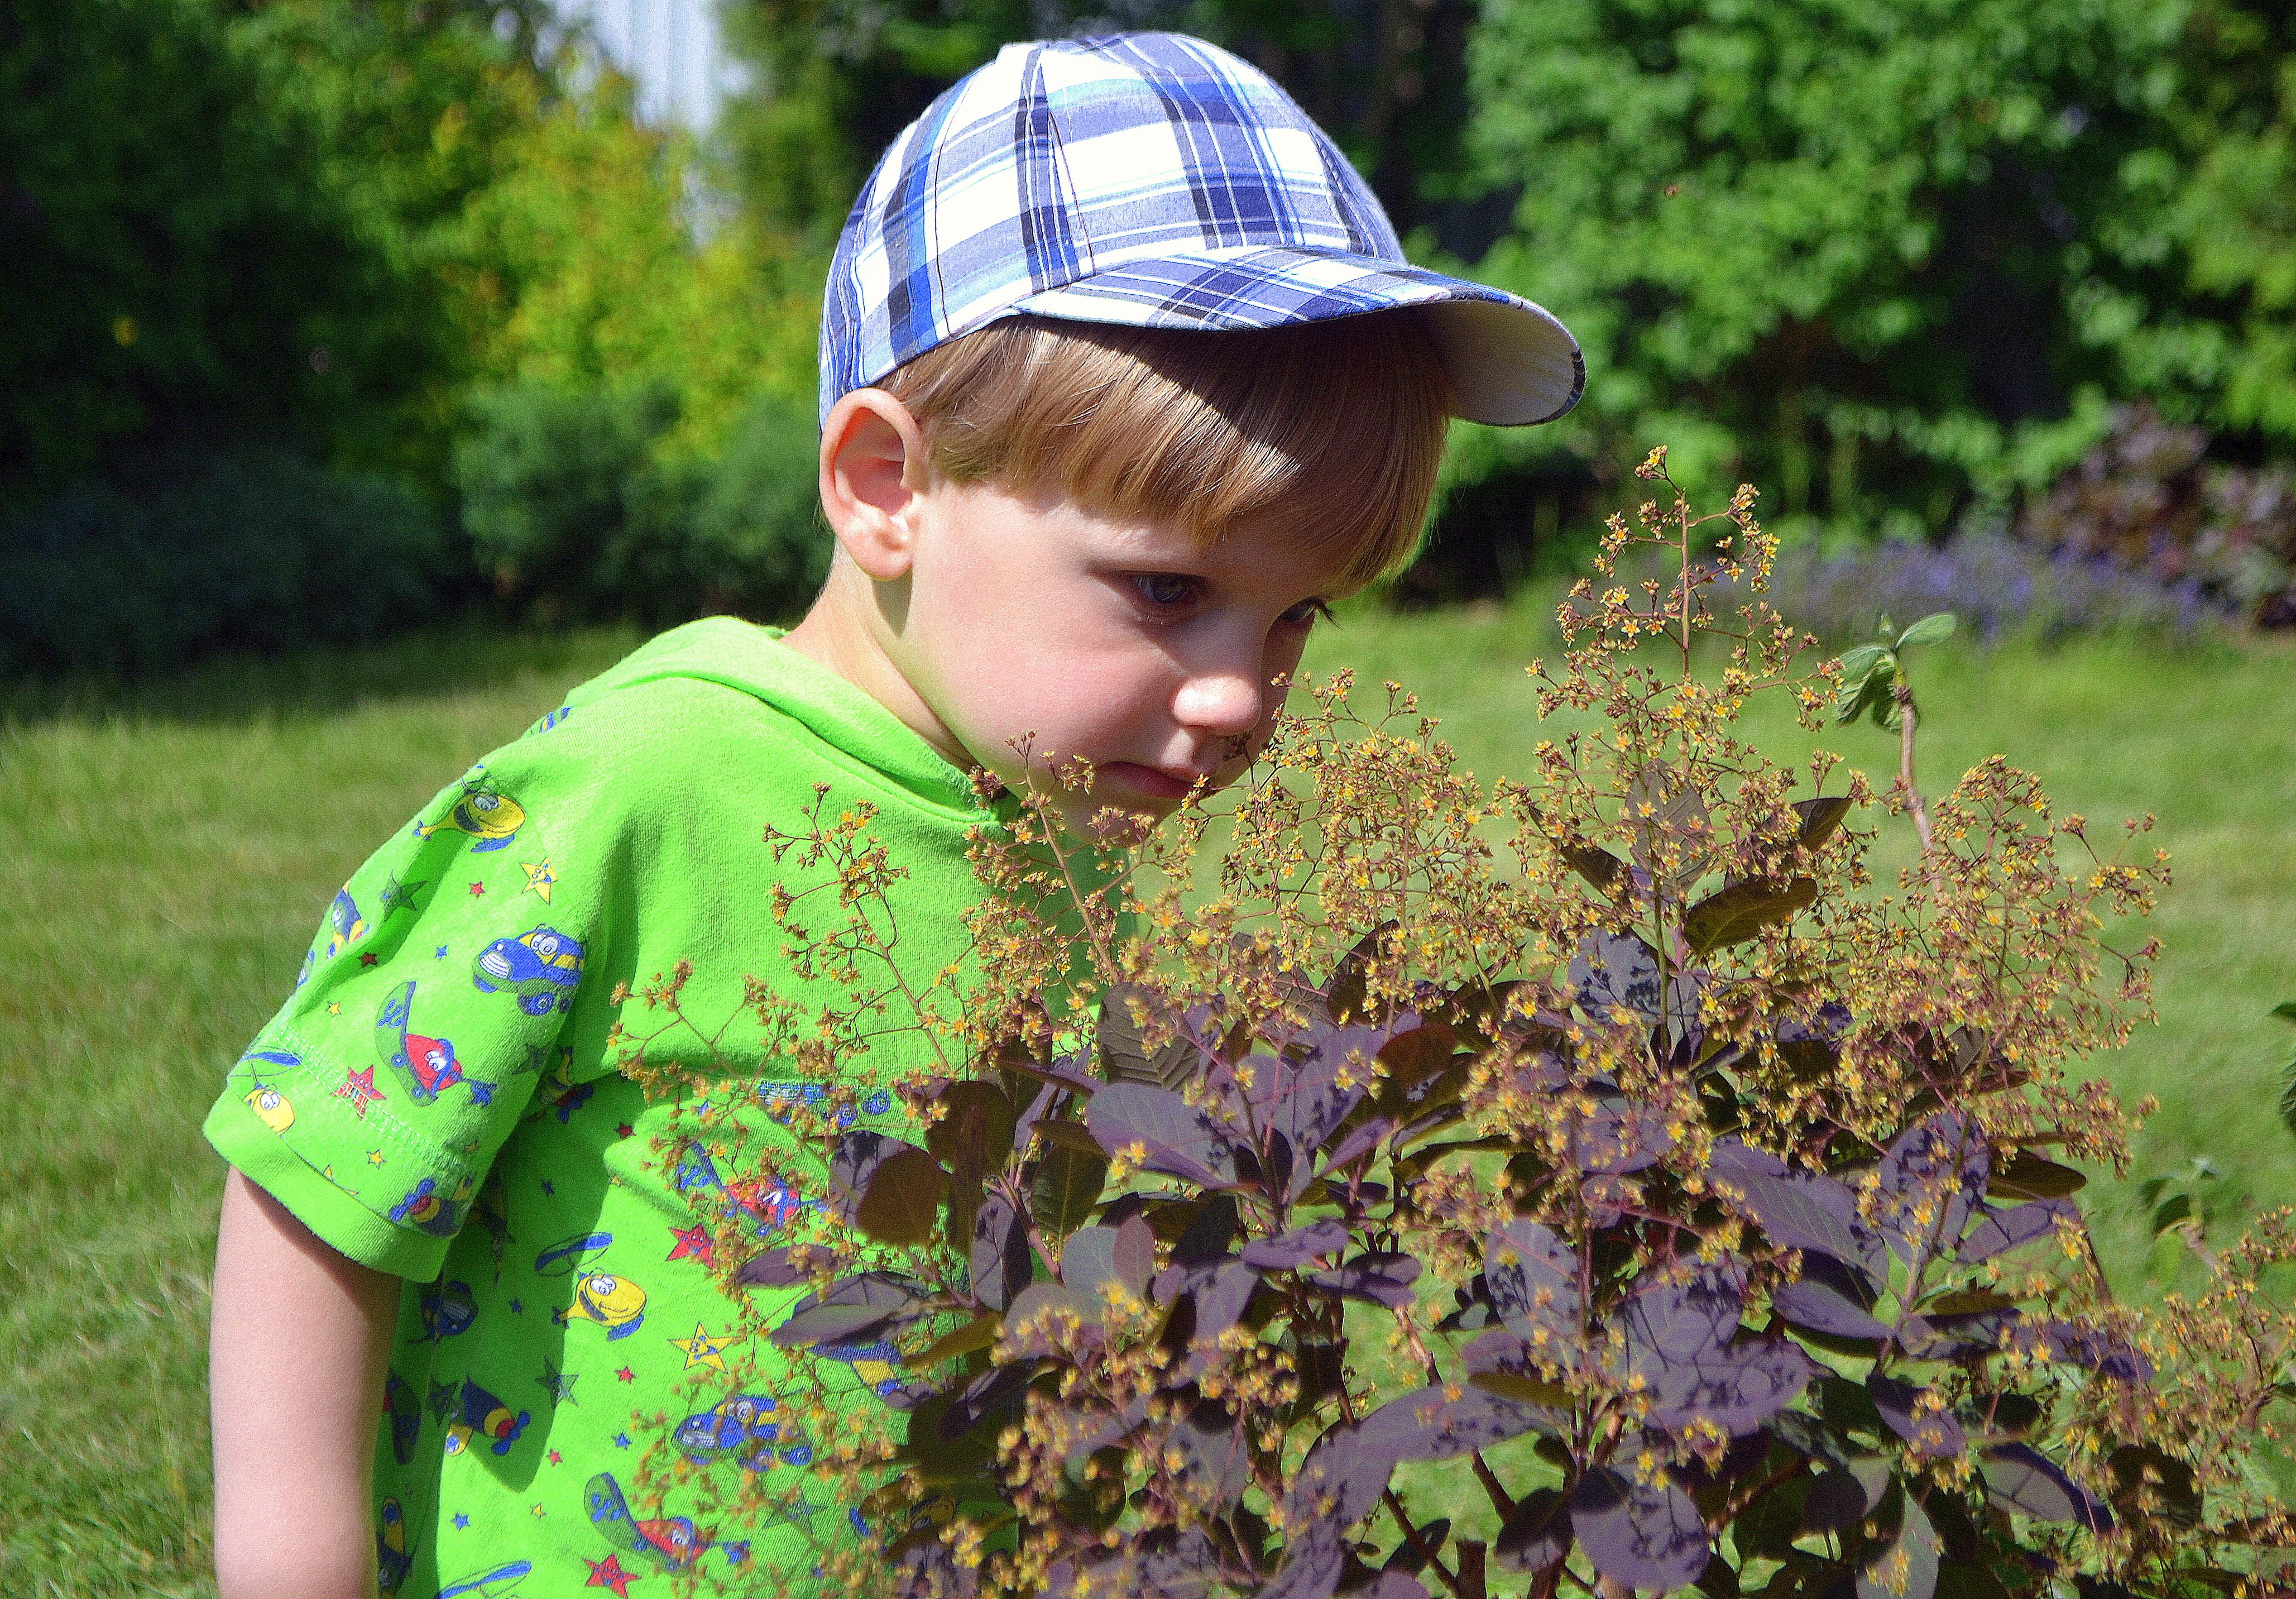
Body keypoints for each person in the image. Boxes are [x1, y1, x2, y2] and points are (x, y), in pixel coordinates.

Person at [204, 30, 1581, 1599]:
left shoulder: (1061, 825)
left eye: (1295, 620)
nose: (1237, 695)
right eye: (1168, 588)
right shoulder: (650, 785)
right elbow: (319, 1179)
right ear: (882, 485)